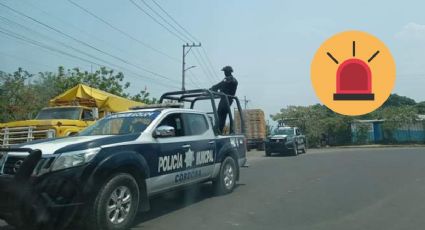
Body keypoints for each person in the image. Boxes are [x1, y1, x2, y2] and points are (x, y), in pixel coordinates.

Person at [210, 65, 238, 133]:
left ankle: (217, 130)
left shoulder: (229, 79)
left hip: (225, 100)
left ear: (228, 72)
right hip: (228, 100)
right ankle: (219, 130)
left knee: (219, 116)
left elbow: (220, 85)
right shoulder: (232, 80)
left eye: (225, 72)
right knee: (222, 117)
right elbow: (221, 85)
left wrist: (212, 89)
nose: (224, 73)